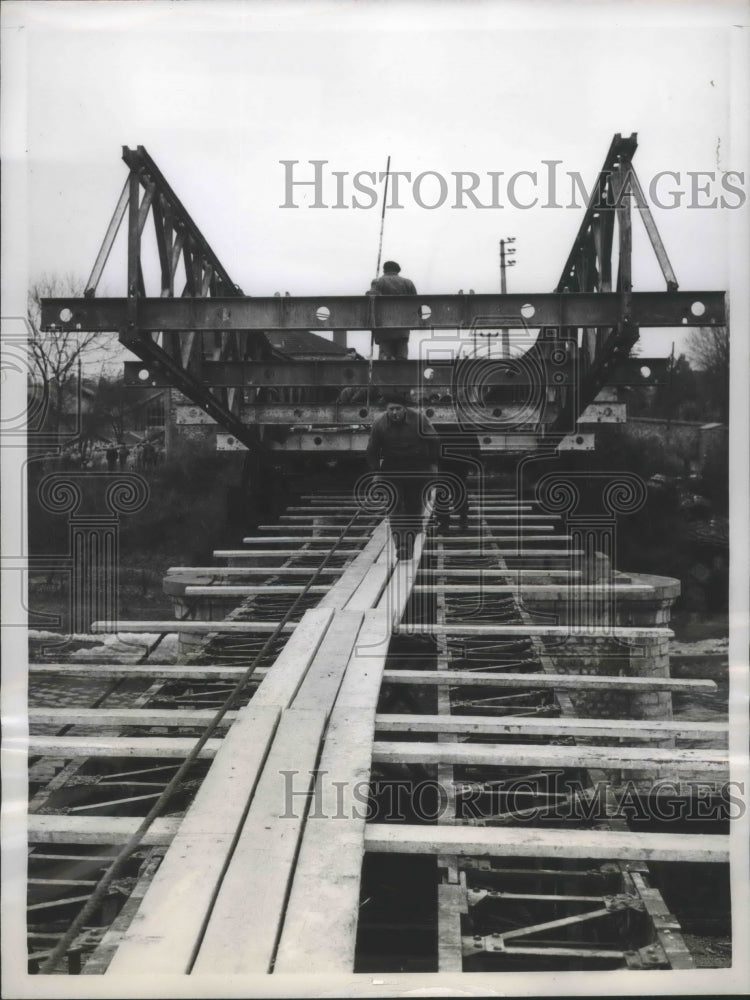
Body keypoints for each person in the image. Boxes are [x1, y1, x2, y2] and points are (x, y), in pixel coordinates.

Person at [366, 391, 439, 559]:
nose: (394, 413)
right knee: (395, 507)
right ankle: (402, 546)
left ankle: (410, 543)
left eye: (398, 409)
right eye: (391, 409)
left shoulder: (419, 420)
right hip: (392, 469)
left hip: (417, 469)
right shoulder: (380, 424)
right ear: (387, 410)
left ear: (404, 409)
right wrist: (376, 471)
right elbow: (372, 450)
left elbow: (434, 441)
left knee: (414, 509)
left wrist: (432, 465)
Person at [367, 260, 416, 361]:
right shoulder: (408, 283)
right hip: (403, 328)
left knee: (385, 360)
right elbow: (415, 303)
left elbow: (370, 297)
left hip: (384, 328)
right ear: (398, 270)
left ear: (384, 270)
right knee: (402, 359)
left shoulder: (378, 282)